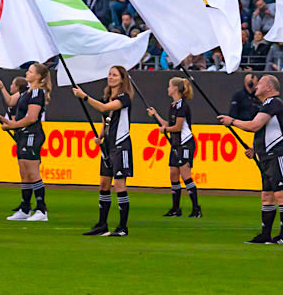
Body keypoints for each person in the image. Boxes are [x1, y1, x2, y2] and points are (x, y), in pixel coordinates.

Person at [219, 74, 283, 245]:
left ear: (269, 87)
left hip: (277, 154)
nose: (256, 85)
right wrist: (255, 149)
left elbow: (254, 126)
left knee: (281, 194)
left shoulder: (273, 103)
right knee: (266, 196)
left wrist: (232, 121)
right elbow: (265, 131)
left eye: (260, 83)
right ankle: (265, 234)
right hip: (267, 155)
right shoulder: (266, 105)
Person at [73, 66, 135, 237]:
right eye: (109, 74)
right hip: (108, 145)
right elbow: (105, 120)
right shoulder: (107, 96)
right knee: (103, 183)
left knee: (119, 184)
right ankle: (102, 224)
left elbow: (103, 108)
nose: (111, 77)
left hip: (120, 144)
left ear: (122, 79)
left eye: (114, 75)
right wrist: (100, 137)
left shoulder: (124, 97)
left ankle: (123, 227)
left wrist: (84, 96)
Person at [0, 64, 49, 221]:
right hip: (23, 134)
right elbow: (12, 104)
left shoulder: (37, 93)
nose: (27, 73)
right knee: (24, 173)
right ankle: (25, 209)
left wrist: (12, 125)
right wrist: (5, 120)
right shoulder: (27, 92)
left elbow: (32, 118)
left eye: (30, 71)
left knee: (32, 172)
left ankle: (41, 210)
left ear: (38, 77)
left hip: (32, 134)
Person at [149, 77, 200, 218]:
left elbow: (177, 127)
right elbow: (168, 123)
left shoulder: (182, 106)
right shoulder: (173, 105)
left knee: (185, 175)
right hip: (176, 143)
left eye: (169, 86)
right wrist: (156, 116)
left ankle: (196, 208)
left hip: (185, 143)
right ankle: (176, 208)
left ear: (175, 89)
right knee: (173, 173)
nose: (168, 89)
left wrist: (164, 131)